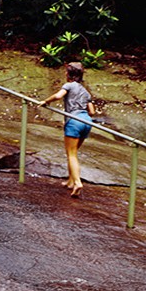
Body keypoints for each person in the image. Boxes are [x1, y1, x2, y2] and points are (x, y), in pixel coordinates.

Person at [38, 61, 97, 197]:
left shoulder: (69, 85)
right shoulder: (85, 91)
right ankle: (70, 181)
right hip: (86, 122)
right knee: (73, 152)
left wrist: (45, 101)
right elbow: (92, 112)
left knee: (71, 154)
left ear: (68, 74)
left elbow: (58, 96)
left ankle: (77, 183)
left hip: (74, 121)